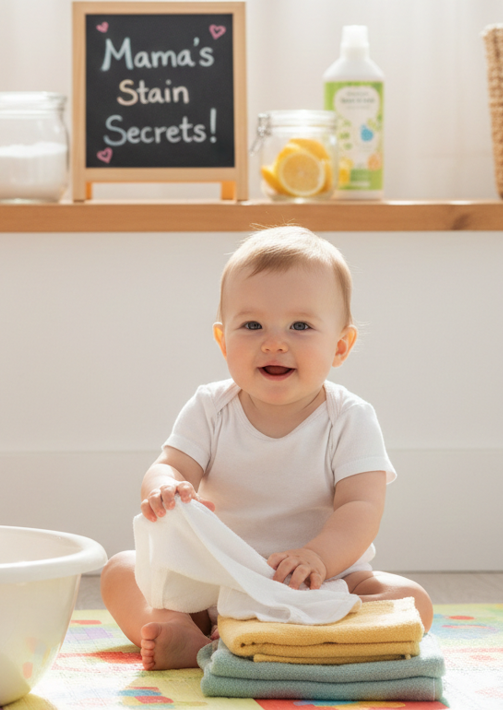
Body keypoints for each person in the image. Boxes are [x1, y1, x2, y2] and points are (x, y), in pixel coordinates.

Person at [100, 225, 431, 671]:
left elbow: (361, 507)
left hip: (321, 583)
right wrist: (164, 487)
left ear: (340, 346)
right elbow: (172, 464)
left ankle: (285, 635)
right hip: (219, 578)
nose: (274, 342)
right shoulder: (210, 407)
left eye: (301, 326)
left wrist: (318, 557)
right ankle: (185, 632)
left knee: (411, 600)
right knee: (121, 570)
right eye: (252, 325)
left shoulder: (349, 418)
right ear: (223, 341)